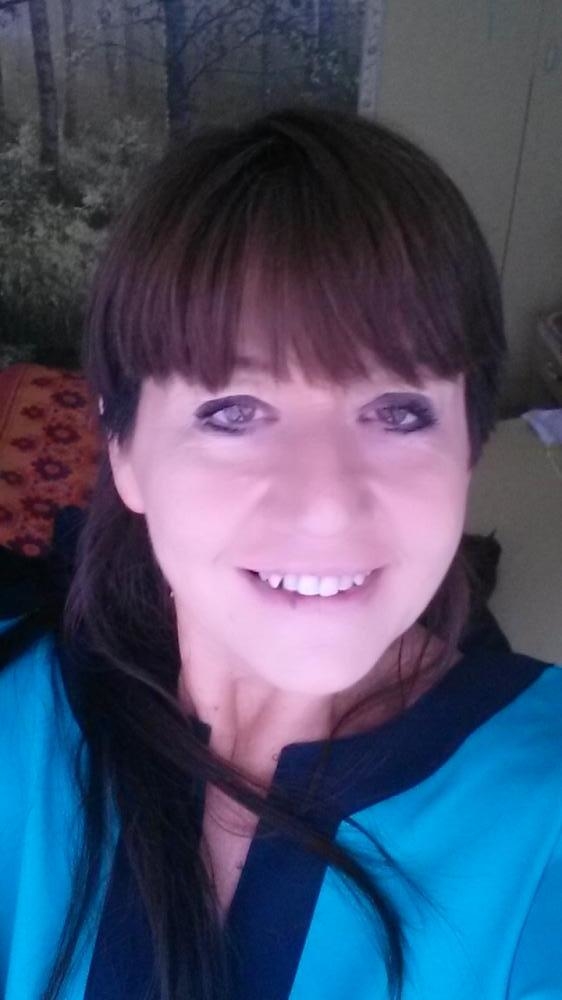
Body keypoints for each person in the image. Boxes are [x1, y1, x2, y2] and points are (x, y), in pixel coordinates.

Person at [1, 105, 561, 1000]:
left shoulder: (544, 811)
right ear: (125, 452)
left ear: (467, 448)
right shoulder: (19, 720)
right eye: (233, 412)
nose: (327, 505)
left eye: (398, 412)